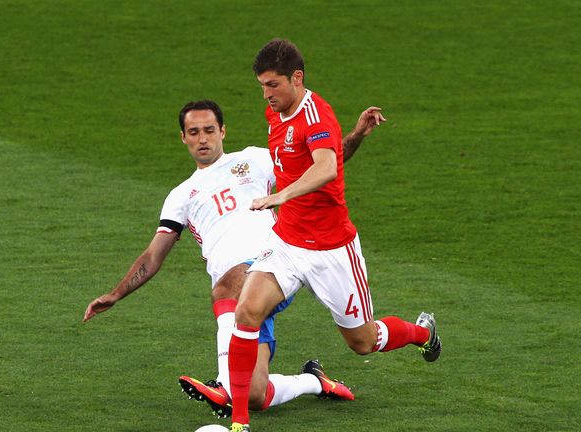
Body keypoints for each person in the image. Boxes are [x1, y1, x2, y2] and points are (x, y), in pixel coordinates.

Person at [83, 99, 379, 418]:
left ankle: (225, 385)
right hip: (238, 304)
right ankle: (314, 382)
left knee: (229, 286)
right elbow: (154, 256)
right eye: (194, 132)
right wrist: (115, 294)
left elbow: (319, 167)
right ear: (183, 137)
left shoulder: (253, 159)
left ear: (223, 131)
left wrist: (357, 134)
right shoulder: (180, 196)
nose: (203, 138)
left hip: (275, 265)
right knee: (253, 394)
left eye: (209, 130)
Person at [225, 39, 441, 432]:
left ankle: (422, 332)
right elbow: (330, 160)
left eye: (273, 85)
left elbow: (326, 169)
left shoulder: (316, 115)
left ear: (297, 77)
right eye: (262, 86)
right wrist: (356, 136)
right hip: (287, 242)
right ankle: (240, 421)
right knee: (246, 310)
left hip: (332, 250)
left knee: (363, 342)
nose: (266, 94)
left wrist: (279, 195)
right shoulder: (276, 114)